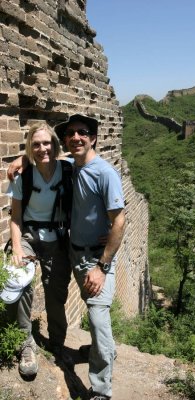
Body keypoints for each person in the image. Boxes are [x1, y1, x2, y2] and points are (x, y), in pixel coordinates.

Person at [54, 114, 126, 400]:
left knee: (97, 319)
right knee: (92, 311)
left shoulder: (104, 172)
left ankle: (101, 390)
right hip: (75, 252)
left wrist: (102, 267)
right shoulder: (73, 166)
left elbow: (120, 221)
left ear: (93, 137)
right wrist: (24, 161)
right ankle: (102, 350)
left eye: (82, 132)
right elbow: (52, 164)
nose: (75, 138)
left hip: (97, 259)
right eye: (70, 134)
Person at [6, 122, 73, 378]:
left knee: (56, 293)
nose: (42, 148)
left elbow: (89, 158)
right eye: (36, 145)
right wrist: (16, 249)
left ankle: (57, 343)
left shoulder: (67, 169)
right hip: (29, 235)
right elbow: (15, 217)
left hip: (57, 238)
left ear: (55, 144)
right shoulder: (24, 175)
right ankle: (26, 343)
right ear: (29, 148)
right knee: (20, 279)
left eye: (47, 143)